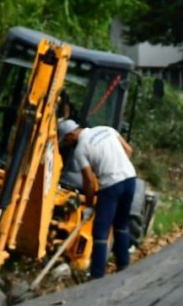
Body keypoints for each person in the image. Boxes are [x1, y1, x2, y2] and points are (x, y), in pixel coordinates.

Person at [57, 119, 137, 279]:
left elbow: (88, 180)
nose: (67, 144)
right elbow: (128, 150)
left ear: (71, 134)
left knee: (100, 231)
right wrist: (119, 168)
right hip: (130, 179)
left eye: (66, 140)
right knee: (121, 224)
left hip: (110, 185)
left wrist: (89, 204)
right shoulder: (107, 129)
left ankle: (97, 275)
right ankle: (123, 264)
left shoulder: (80, 149)